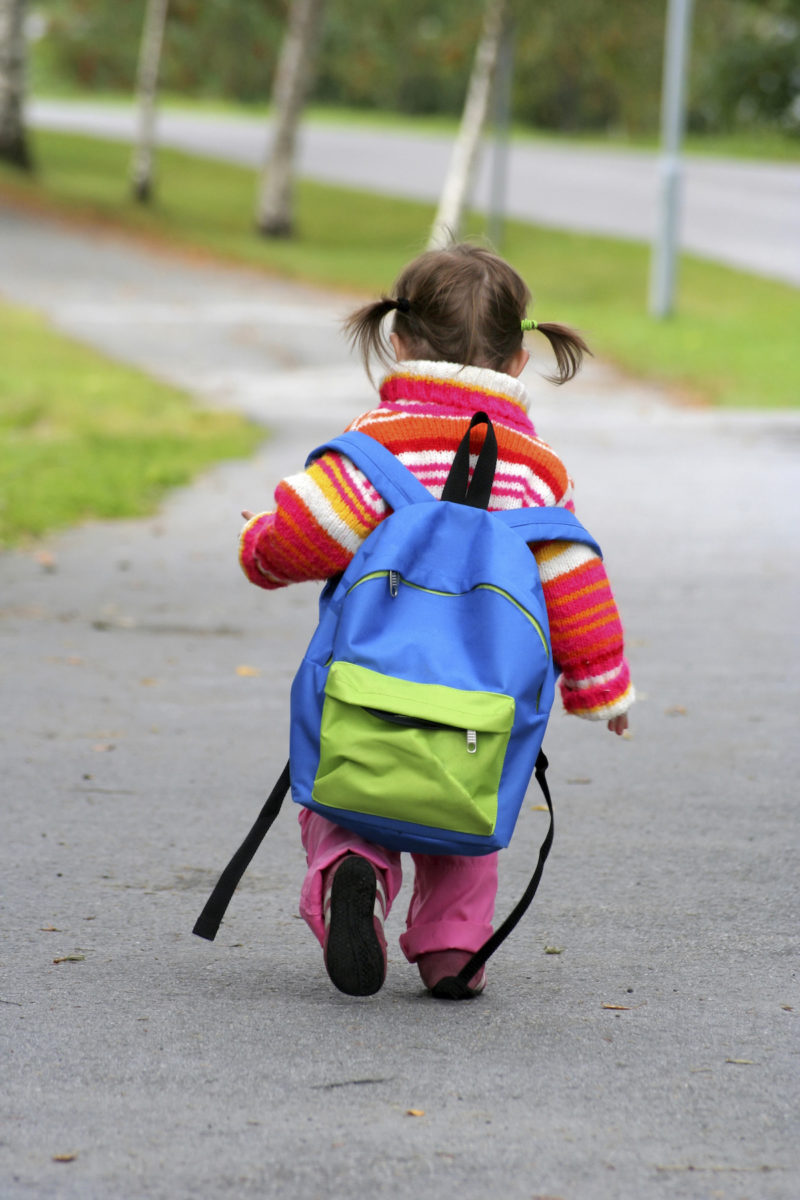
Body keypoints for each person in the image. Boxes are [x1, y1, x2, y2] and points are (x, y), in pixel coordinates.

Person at [239, 242, 634, 1000]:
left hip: (367, 678)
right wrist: (600, 686)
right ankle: (454, 948)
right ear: (520, 361)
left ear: (397, 340)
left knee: (348, 786)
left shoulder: (376, 445)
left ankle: (351, 869)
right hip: (478, 702)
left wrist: (257, 545)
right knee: (465, 804)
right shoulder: (532, 467)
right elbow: (572, 575)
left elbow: (302, 538)